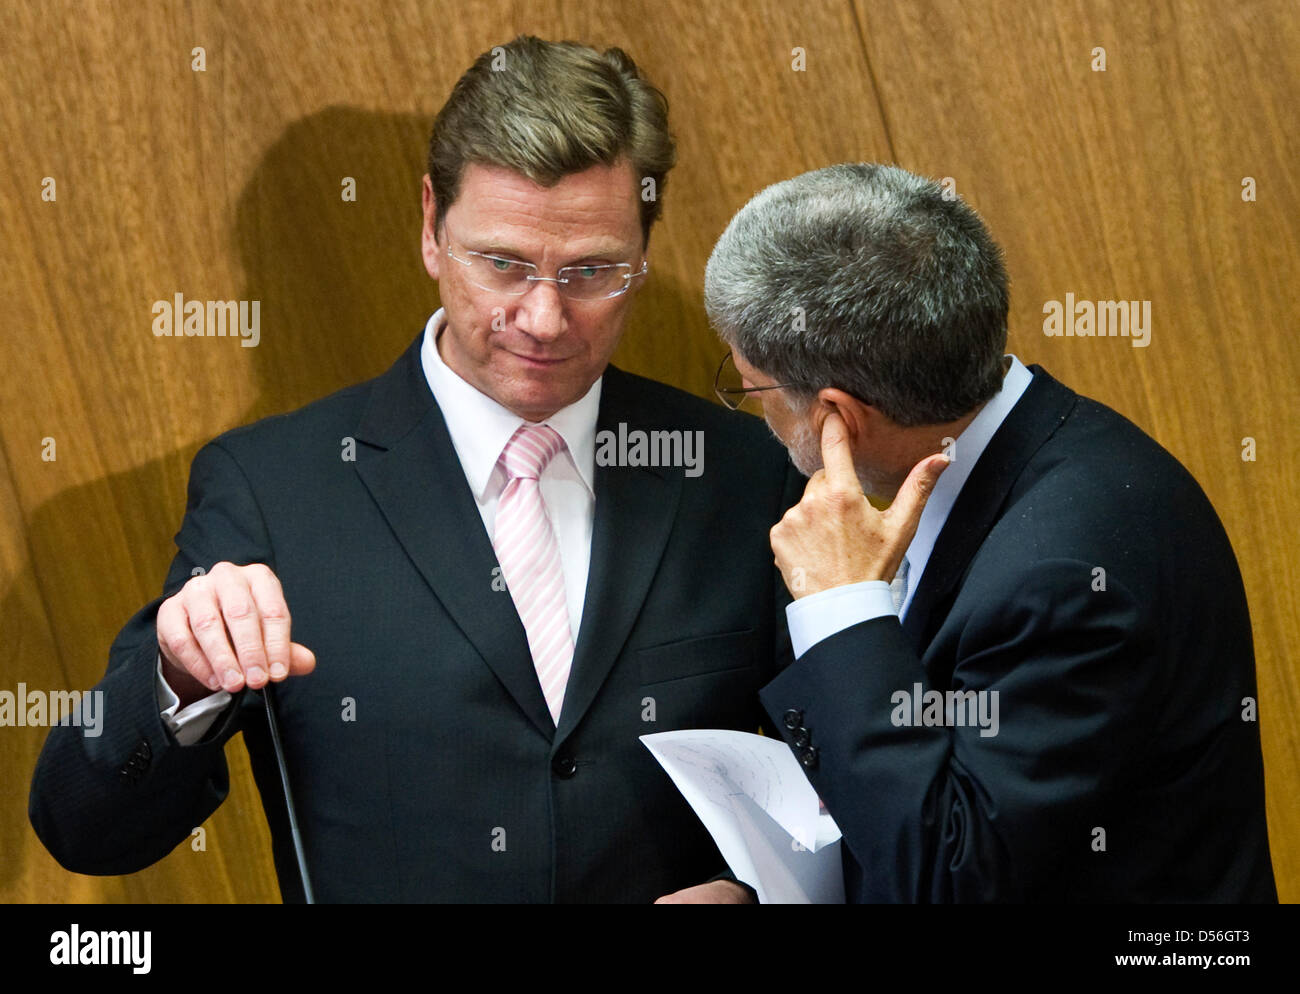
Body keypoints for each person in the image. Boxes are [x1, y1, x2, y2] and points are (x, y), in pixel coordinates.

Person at [28, 36, 800, 903]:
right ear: (431, 226)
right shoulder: (272, 491)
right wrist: (178, 680)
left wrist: (772, 893)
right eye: (503, 264)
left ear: (643, 250)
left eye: (592, 272)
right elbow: (82, 828)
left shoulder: (747, 473)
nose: (543, 319)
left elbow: (857, 793)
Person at [702, 162, 1278, 902]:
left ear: (839, 418)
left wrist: (841, 611)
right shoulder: (1016, 447)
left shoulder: (1064, 577)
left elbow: (950, 874)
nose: (755, 412)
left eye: (752, 388)